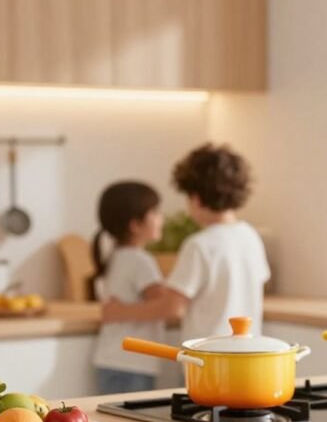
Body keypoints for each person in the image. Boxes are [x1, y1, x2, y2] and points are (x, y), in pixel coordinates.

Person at [165, 143, 270, 338]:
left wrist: (121, 310)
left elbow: (171, 308)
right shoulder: (251, 236)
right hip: (248, 350)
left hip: (208, 354)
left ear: (196, 198)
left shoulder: (199, 245)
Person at [92, 181, 185, 394]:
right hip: (132, 364)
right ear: (135, 225)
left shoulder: (116, 256)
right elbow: (165, 306)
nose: (161, 219)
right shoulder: (140, 260)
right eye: (155, 212)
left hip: (113, 360)